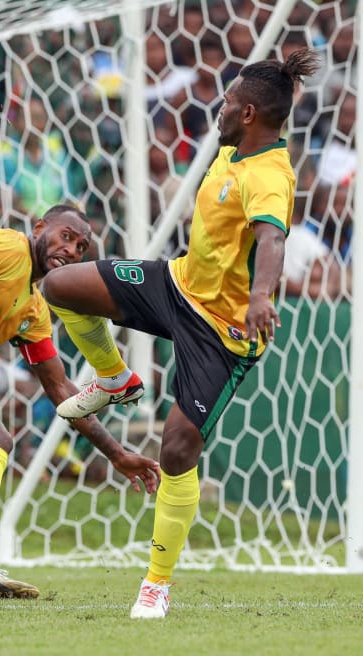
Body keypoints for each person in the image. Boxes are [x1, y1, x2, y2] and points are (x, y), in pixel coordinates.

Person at [40, 50, 321, 619]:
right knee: (59, 285)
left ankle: (156, 585)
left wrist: (262, 296)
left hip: (222, 333)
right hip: (177, 284)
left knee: (176, 450)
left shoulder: (270, 176)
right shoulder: (232, 149)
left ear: (247, 114)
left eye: (227, 101)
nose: (218, 106)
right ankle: (116, 377)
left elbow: (271, 242)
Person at [0, 205, 160, 599]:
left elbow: (61, 391)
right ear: (40, 227)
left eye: (81, 247)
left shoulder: (34, 308)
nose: (72, 250)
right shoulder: (10, 248)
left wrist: (116, 455)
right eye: (66, 236)